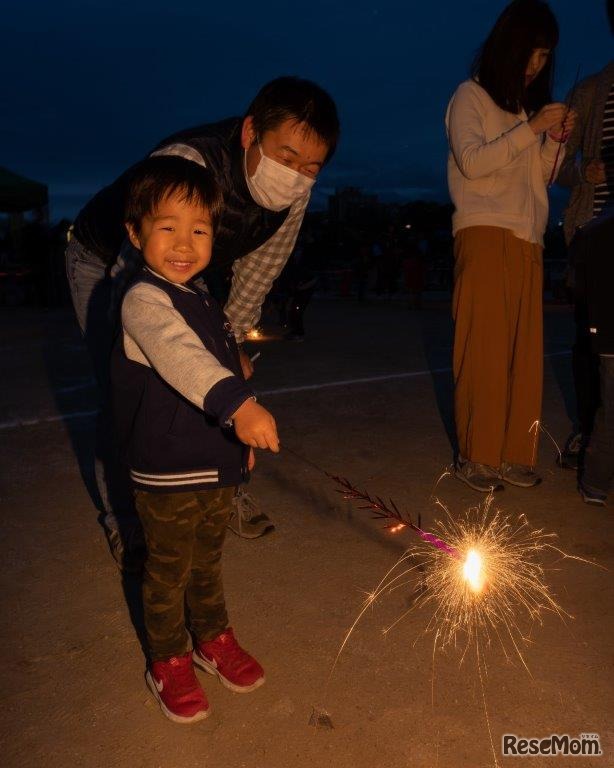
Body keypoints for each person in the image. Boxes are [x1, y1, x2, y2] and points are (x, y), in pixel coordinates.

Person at [65, 77, 339, 566]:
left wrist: (228, 343)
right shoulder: (189, 163)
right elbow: (140, 288)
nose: (296, 175)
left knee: (216, 383)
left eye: (310, 168)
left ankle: (220, 492)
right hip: (112, 259)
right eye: (286, 156)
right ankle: (127, 521)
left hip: (188, 268)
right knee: (129, 395)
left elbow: (259, 271)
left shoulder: (295, 194)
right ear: (251, 131)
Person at [112, 155, 280, 723]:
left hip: (214, 465)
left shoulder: (204, 297)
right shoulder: (143, 300)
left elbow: (220, 361)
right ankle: (169, 659)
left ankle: (212, 637)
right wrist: (239, 406)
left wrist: (240, 442)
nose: (185, 243)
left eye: (200, 229)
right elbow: (183, 360)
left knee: (208, 560)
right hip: (166, 471)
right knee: (167, 571)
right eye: (167, 227)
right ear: (135, 234)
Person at [445, 0, 576, 492]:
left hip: (528, 237)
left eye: (544, 56)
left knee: (525, 353)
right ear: (507, 46)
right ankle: (476, 457)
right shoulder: (470, 96)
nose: (536, 64)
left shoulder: (525, 112)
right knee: (483, 347)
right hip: (483, 232)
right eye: (530, 52)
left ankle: (515, 455)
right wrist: (533, 129)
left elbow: (540, 176)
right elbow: (473, 163)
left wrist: (553, 140)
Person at [556, 0, 614, 471]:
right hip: (595, 234)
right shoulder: (592, 91)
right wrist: (584, 173)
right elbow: (555, 164)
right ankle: (588, 431)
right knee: (588, 341)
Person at [572, 211, 614, 505]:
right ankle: (595, 481)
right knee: (612, 414)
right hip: (611, 336)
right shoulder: (600, 230)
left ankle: (595, 483)